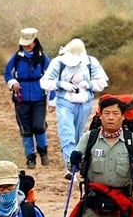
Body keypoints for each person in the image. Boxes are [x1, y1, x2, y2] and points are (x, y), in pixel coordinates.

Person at [41, 38, 108, 177]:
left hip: (85, 103)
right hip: (65, 102)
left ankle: (78, 162)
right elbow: (45, 82)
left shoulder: (91, 62)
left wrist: (88, 84)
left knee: (79, 134)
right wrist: (60, 84)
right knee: (68, 133)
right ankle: (70, 166)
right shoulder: (58, 62)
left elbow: (102, 82)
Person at [4, 28, 52, 170]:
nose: (26, 47)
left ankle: (43, 152)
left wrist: (52, 96)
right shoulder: (17, 58)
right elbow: (7, 73)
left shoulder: (43, 58)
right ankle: (30, 157)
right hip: (21, 98)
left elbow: (51, 75)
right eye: (24, 44)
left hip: (39, 97)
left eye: (29, 44)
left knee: (38, 126)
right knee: (25, 129)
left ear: (35, 43)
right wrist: (12, 83)